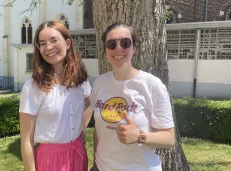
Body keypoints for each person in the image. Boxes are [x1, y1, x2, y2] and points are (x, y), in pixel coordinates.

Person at [85, 23, 175, 171]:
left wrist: (139, 136)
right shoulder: (100, 83)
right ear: (105, 50)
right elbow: (98, 130)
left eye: (125, 43)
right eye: (111, 44)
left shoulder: (151, 84)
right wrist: (96, 162)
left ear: (133, 48)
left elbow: (169, 138)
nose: (118, 48)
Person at [19, 21, 91, 171]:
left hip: (78, 155)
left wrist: (82, 127)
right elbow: (26, 140)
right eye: (42, 43)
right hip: (50, 160)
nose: (49, 47)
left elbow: (89, 104)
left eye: (53, 40)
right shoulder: (33, 87)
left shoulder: (80, 80)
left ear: (67, 43)